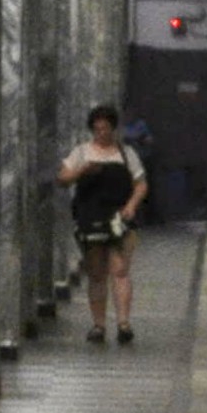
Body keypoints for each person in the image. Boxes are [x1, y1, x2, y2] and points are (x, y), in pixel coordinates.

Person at [58, 105, 149, 345]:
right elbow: (63, 178)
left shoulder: (126, 154)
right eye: (97, 129)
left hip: (120, 217)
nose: (102, 134)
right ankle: (99, 325)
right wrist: (82, 171)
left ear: (113, 129)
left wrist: (131, 206)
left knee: (120, 270)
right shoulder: (81, 152)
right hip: (90, 218)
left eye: (106, 129)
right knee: (96, 273)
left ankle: (123, 323)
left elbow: (140, 183)